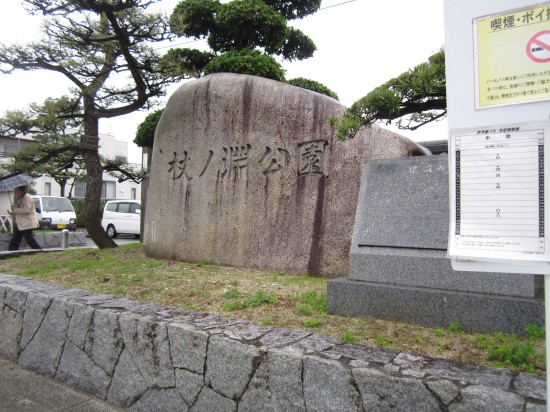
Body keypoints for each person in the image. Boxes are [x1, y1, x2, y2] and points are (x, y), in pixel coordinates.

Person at [8, 185, 42, 251]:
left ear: (18, 189)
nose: (15, 190)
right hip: (21, 223)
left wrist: (15, 209)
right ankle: (12, 252)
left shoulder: (26, 197)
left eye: (15, 189)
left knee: (30, 240)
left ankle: (40, 252)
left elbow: (26, 210)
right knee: (15, 239)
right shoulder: (23, 197)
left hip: (26, 223)